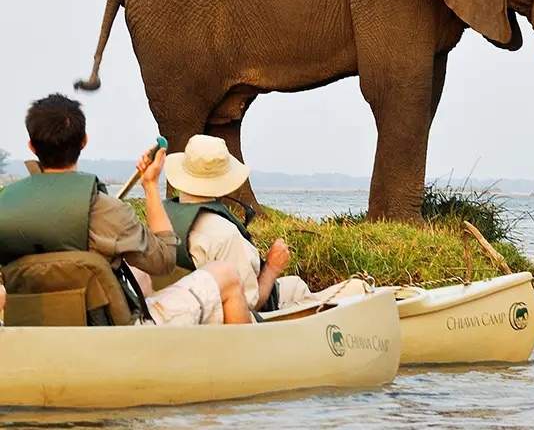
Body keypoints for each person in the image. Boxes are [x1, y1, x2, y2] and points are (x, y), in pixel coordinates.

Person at [0, 93, 252, 326]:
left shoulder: (6, 207)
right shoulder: (108, 211)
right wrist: (150, 186)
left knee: (138, 276)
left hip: (33, 332)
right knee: (224, 274)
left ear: (32, 146)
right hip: (113, 334)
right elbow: (164, 261)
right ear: (84, 142)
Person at [160, 134, 368, 312]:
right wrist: (272, 267)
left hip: (195, 307)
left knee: (295, 285)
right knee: (359, 288)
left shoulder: (161, 218)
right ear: (222, 181)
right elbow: (248, 306)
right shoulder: (225, 235)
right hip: (265, 314)